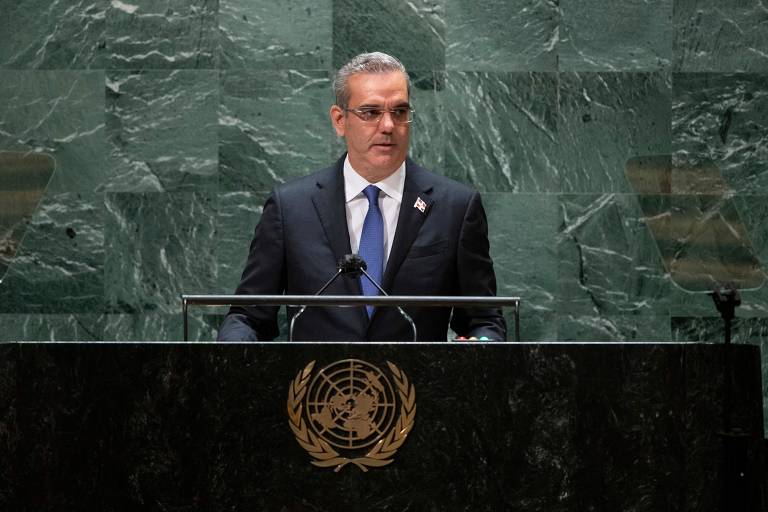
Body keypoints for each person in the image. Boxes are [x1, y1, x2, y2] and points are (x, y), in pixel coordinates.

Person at [217, 52, 505, 341]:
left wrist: (482, 347)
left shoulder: (455, 207)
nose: (389, 126)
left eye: (400, 112)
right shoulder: (290, 208)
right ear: (340, 120)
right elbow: (248, 316)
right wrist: (233, 351)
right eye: (371, 113)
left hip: (416, 385)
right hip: (318, 384)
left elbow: (484, 320)